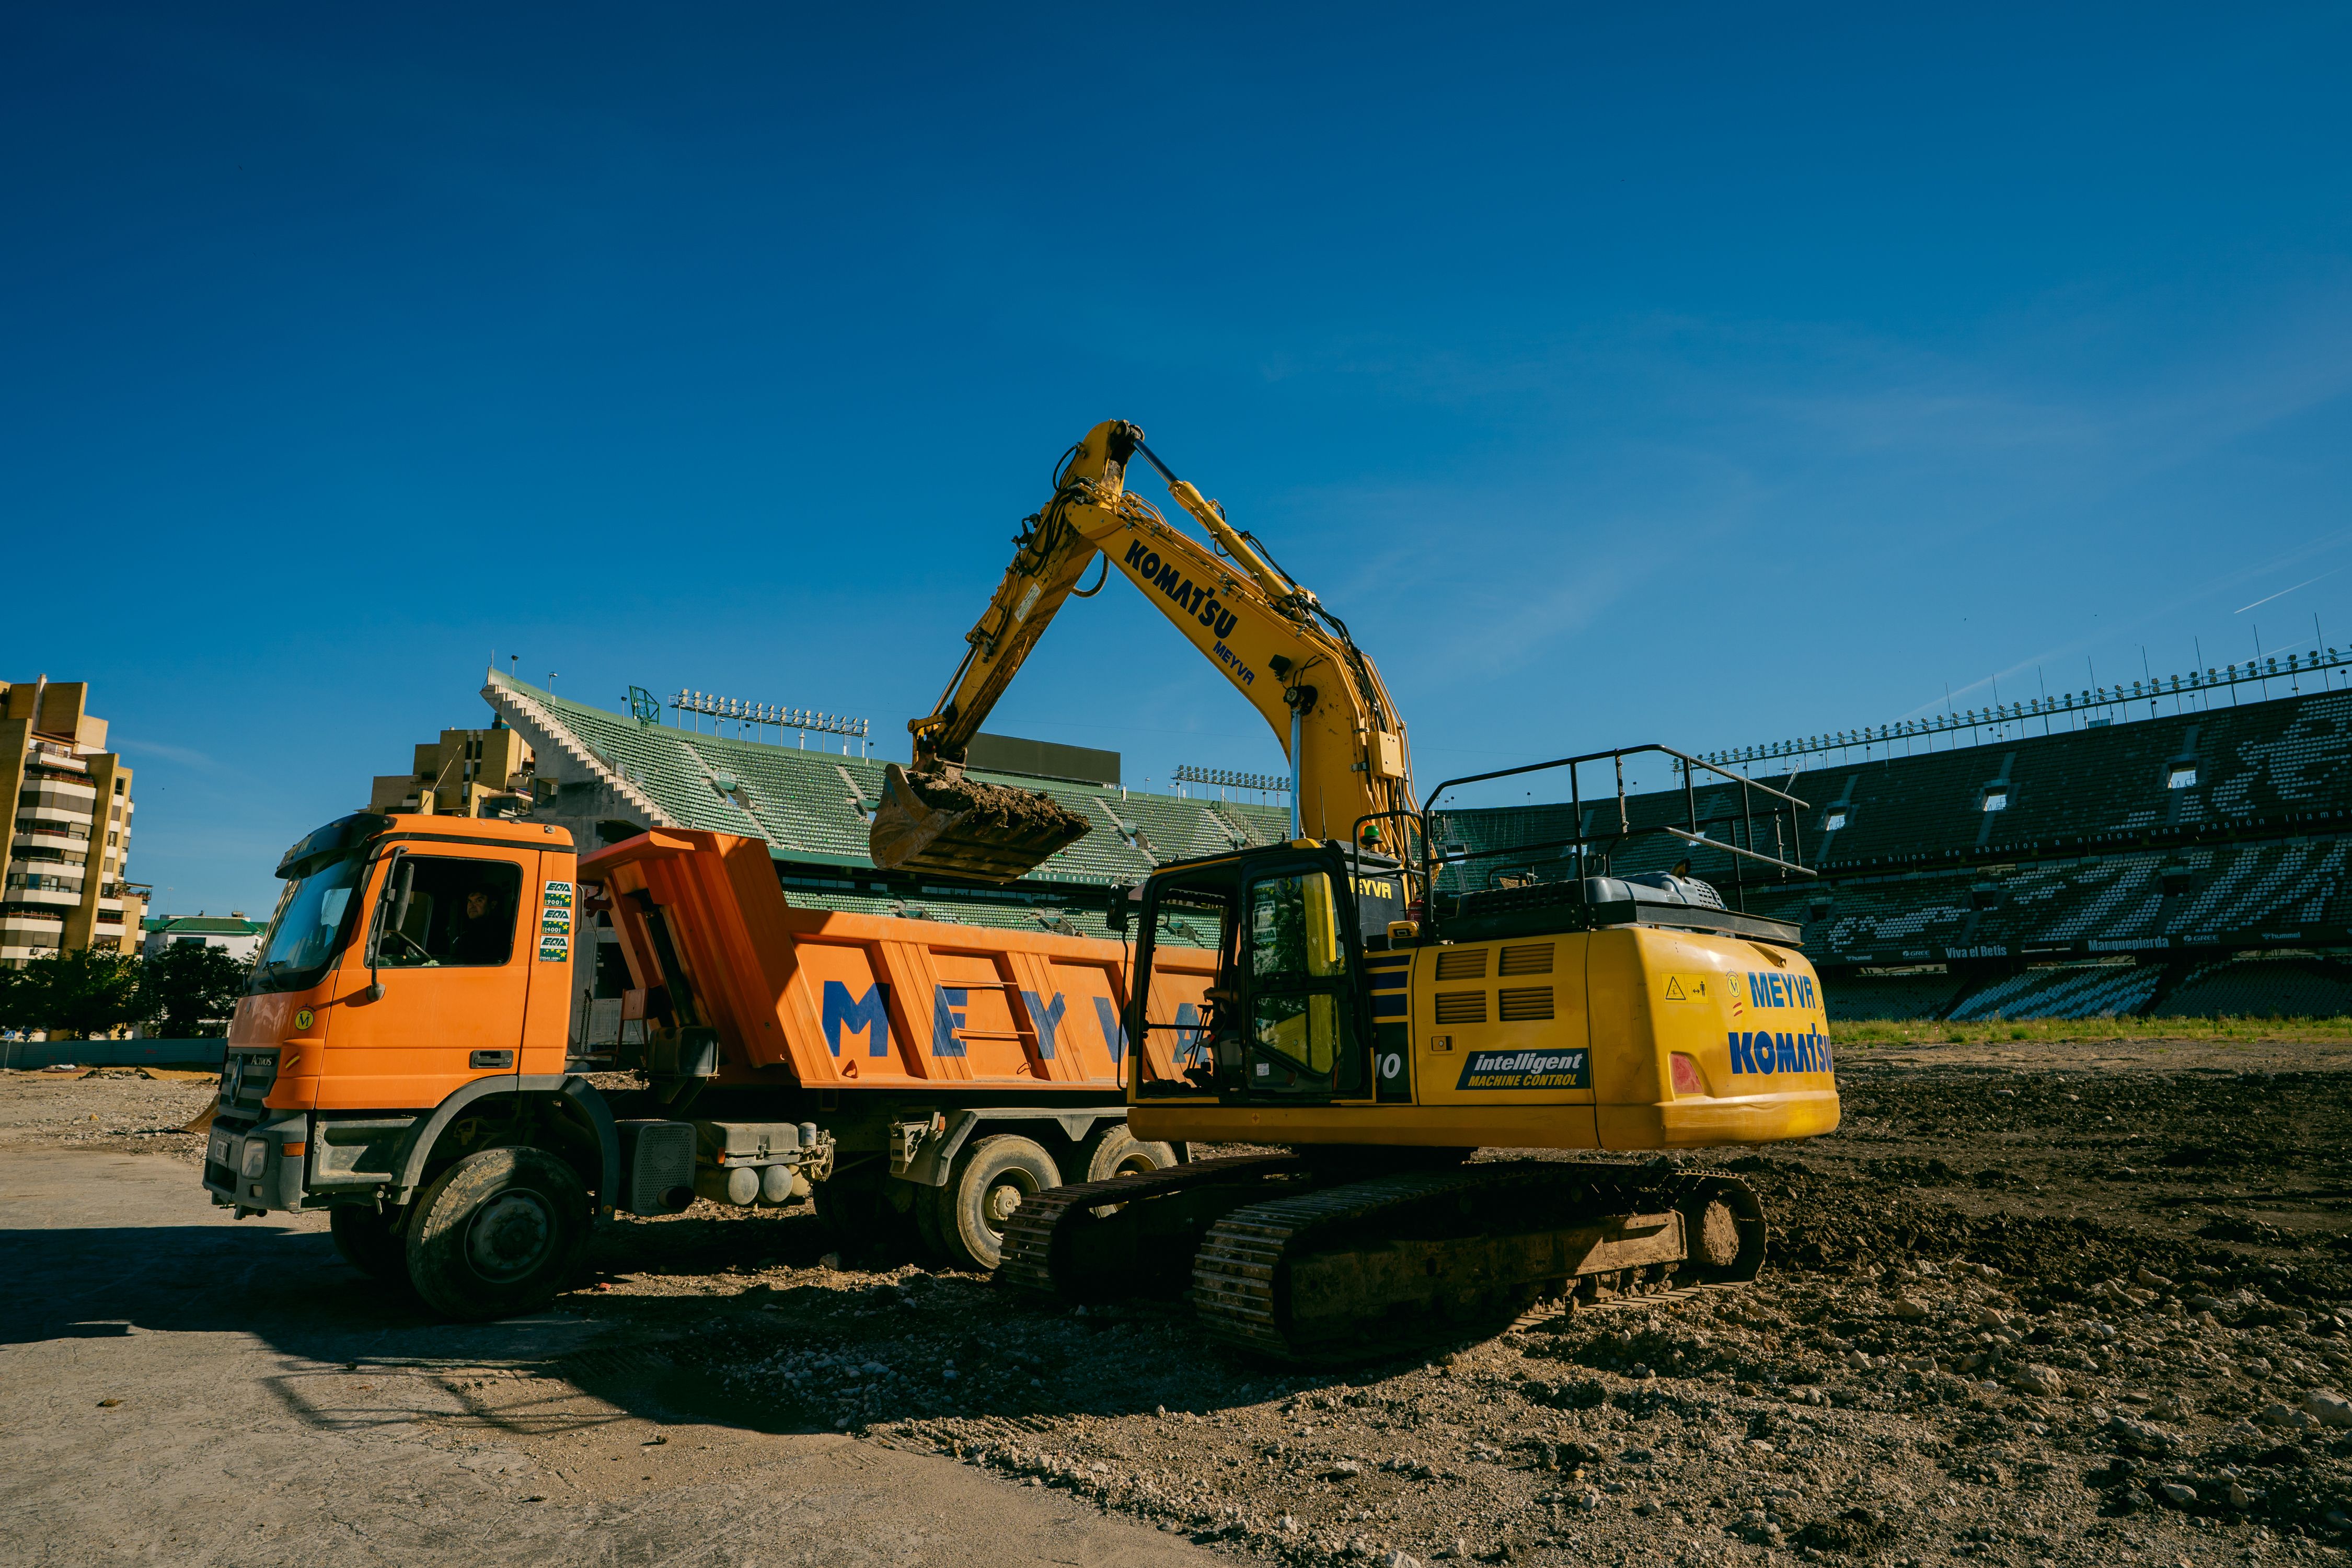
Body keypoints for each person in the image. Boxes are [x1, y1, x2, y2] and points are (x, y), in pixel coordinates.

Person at [448, 886, 511, 964]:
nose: (471, 906)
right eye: (470, 901)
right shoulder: (468, 934)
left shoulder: (503, 933)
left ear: (493, 905)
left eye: (479, 901)